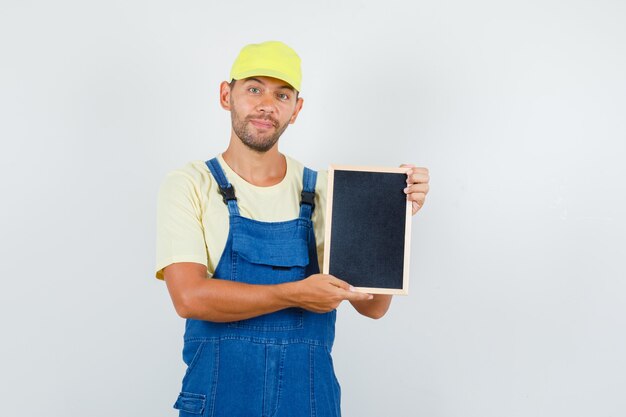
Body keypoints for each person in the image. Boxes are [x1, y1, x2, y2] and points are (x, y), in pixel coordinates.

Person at [155, 40, 430, 417]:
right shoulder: (190, 184)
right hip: (219, 402)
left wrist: (391, 216)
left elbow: (374, 306)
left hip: (308, 403)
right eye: (254, 89)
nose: (267, 105)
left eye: (282, 95)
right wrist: (295, 294)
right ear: (226, 94)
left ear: (296, 109)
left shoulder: (325, 191)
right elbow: (190, 297)